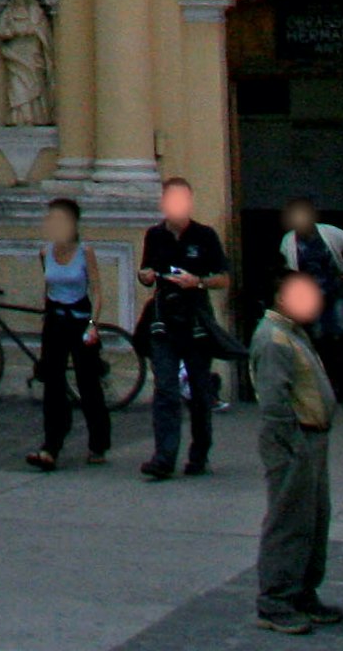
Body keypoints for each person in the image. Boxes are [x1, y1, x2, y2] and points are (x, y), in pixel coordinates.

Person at [249, 270, 343, 633]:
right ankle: (275, 600)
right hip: (294, 439)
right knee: (290, 521)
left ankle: (302, 592)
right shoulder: (274, 339)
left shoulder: (291, 333)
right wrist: (293, 447)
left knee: (313, 519)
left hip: (311, 438)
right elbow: (275, 404)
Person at [135, 176, 231, 480]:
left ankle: (199, 454)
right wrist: (146, 275)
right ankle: (164, 457)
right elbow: (146, 269)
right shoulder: (155, 235)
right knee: (165, 388)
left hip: (195, 318)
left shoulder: (204, 235)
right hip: (164, 317)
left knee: (200, 392)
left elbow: (224, 278)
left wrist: (198, 281)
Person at [24, 196, 112, 471]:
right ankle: (51, 445)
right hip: (55, 320)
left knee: (88, 382)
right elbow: (48, 288)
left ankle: (98, 443)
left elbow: (96, 290)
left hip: (80, 319)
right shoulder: (44, 252)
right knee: (53, 382)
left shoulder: (85, 252)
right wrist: (45, 317)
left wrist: (93, 324)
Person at [279, 196, 343, 350]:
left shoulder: (329, 232)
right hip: (309, 295)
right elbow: (287, 269)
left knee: (338, 330)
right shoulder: (288, 241)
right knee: (315, 335)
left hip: (334, 291)